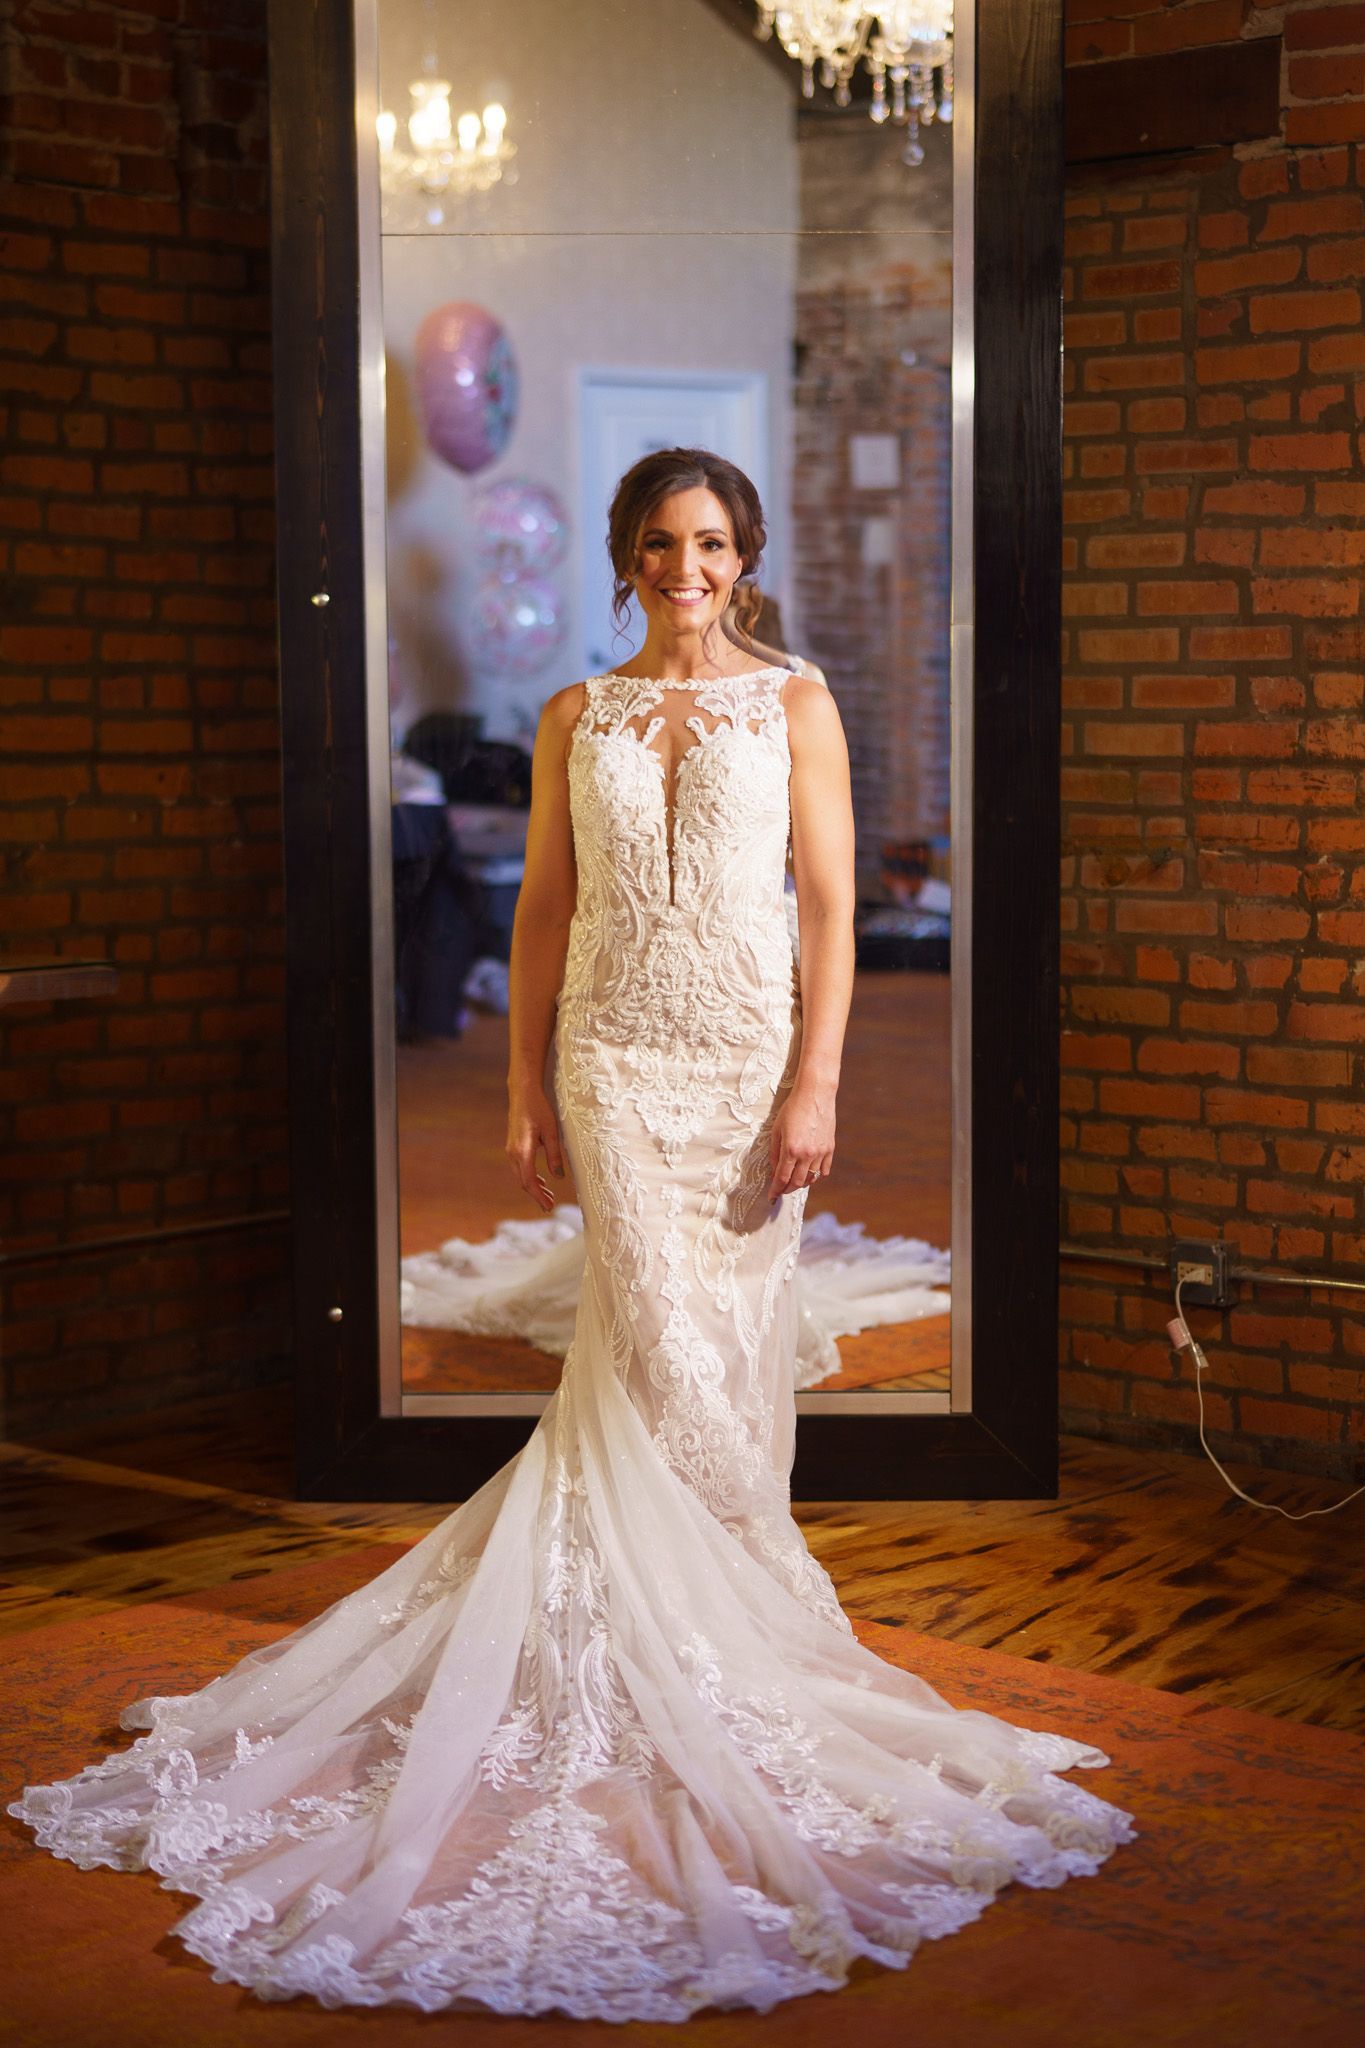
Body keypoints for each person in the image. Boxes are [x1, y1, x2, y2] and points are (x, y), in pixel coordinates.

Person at [8, 448, 1136, 2022]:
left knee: (728, 1352)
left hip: (746, 1062)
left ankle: (721, 1642)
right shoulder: (573, 716)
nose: (689, 567)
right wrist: (530, 1083)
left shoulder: (794, 703)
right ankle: (686, 1649)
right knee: (660, 1337)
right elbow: (544, 903)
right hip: (613, 1056)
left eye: (714, 542)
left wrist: (814, 1083)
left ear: (742, 558)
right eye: (664, 544)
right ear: (625, 559)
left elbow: (826, 905)